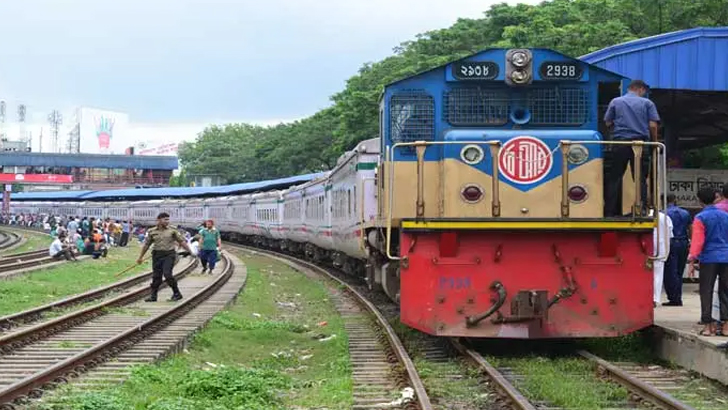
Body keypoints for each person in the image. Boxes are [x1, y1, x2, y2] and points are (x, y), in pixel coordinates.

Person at [603, 79, 660, 217]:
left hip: (620, 143)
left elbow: (608, 121)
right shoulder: (647, 103)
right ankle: (641, 210)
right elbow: (653, 125)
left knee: (615, 177)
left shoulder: (616, 102)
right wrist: (654, 142)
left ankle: (609, 211)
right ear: (640, 89)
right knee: (640, 178)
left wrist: (616, 130)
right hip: (640, 144)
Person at [688, 187, 728, 336]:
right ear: (715, 198)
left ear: (700, 200)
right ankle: (726, 327)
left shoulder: (701, 217)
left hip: (709, 258)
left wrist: (692, 259)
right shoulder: (725, 216)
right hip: (726, 257)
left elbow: (698, 241)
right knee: (725, 291)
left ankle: (707, 326)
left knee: (706, 291)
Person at [136, 212, 193, 302]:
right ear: (158, 220)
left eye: (168, 219)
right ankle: (153, 296)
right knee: (156, 276)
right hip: (157, 255)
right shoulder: (152, 231)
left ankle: (177, 293)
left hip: (169, 255)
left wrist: (190, 251)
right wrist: (140, 257)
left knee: (167, 274)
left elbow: (181, 242)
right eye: (165, 219)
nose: (167, 221)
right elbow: (146, 245)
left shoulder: (172, 230)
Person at [663, 193, 691, 306]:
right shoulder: (685, 213)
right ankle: (678, 296)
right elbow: (690, 228)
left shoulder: (663, 214)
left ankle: (674, 298)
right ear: (675, 200)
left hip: (671, 243)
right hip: (683, 242)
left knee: (670, 272)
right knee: (679, 271)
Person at [653, 207, 673, 307]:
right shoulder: (665, 217)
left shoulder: (645, 217)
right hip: (660, 250)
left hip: (645, 248)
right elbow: (670, 234)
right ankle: (655, 298)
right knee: (657, 275)